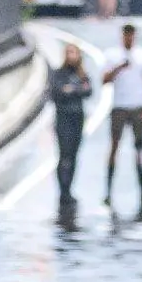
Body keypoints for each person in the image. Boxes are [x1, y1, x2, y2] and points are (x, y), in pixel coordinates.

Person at [101, 22, 142, 213]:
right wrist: (119, 68)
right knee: (114, 146)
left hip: (137, 107)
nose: (128, 39)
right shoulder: (113, 55)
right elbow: (104, 79)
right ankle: (107, 190)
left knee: (140, 150)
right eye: (126, 35)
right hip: (119, 107)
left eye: (131, 35)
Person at [48, 43, 93, 213]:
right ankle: (63, 190)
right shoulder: (59, 74)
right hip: (63, 117)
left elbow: (87, 91)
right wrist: (73, 91)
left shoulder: (82, 75)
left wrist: (72, 90)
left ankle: (69, 188)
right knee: (64, 155)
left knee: (74, 154)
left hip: (77, 117)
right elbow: (56, 93)